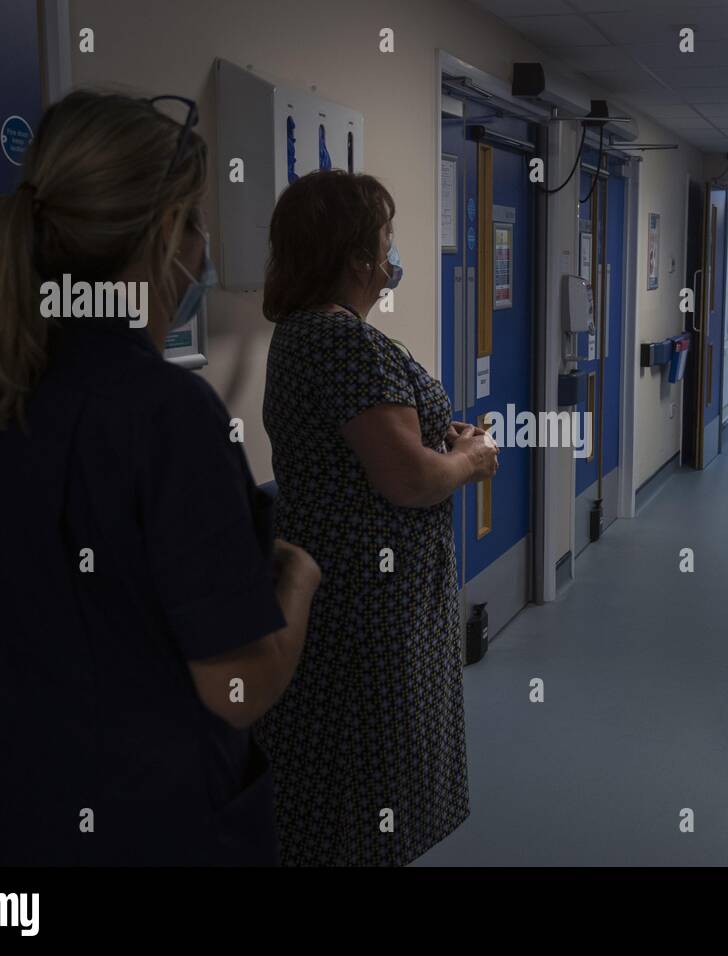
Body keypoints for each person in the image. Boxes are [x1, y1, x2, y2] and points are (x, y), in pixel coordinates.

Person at [0, 90, 320, 865]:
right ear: (164, 233)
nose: (205, 253)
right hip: (154, 824)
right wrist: (299, 577)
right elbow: (235, 688)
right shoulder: (169, 414)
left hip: (15, 815)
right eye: (197, 222)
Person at [255, 170, 498, 866]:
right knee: (364, 791)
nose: (393, 256)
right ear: (358, 258)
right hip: (369, 608)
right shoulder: (345, 344)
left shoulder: (302, 335)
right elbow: (409, 479)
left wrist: (434, 437)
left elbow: (367, 450)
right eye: (386, 241)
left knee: (335, 785)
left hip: (339, 593)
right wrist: (472, 459)